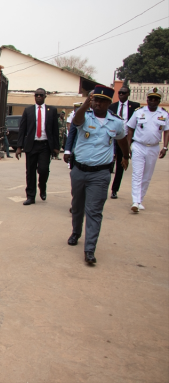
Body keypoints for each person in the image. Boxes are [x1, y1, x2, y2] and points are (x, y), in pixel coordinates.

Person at [67, 85, 129, 264]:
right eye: (96, 100)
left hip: (100, 174)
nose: (98, 104)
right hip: (79, 170)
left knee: (94, 211)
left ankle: (90, 250)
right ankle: (76, 232)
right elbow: (76, 120)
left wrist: (126, 156)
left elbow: (122, 140)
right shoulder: (84, 116)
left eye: (102, 101)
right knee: (77, 206)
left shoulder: (116, 122)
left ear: (109, 103)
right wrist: (86, 103)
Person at [126, 88, 168, 213]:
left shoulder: (164, 114)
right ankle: (135, 201)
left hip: (153, 147)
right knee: (137, 174)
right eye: (151, 99)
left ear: (159, 101)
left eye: (156, 99)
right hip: (139, 145)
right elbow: (130, 128)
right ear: (147, 99)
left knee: (147, 175)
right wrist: (128, 146)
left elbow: (167, 131)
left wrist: (165, 147)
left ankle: (140, 200)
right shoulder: (139, 112)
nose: (153, 101)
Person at [16, 88, 60, 205]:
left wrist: (56, 147)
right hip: (31, 145)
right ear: (34, 97)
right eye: (37, 95)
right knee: (30, 172)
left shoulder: (52, 111)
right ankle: (30, 196)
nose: (39, 97)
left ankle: (42, 185)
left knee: (43, 169)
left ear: (45, 96)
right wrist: (19, 147)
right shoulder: (28, 110)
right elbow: (22, 129)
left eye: (41, 95)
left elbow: (55, 130)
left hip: (45, 145)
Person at [108, 85, 140, 199]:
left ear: (128, 94)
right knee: (108, 163)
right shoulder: (112, 106)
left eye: (123, 93)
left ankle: (114, 190)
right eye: (120, 93)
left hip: (125, 139)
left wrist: (130, 141)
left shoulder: (135, 107)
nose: (121, 94)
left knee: (121, 165)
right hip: (112, 138)